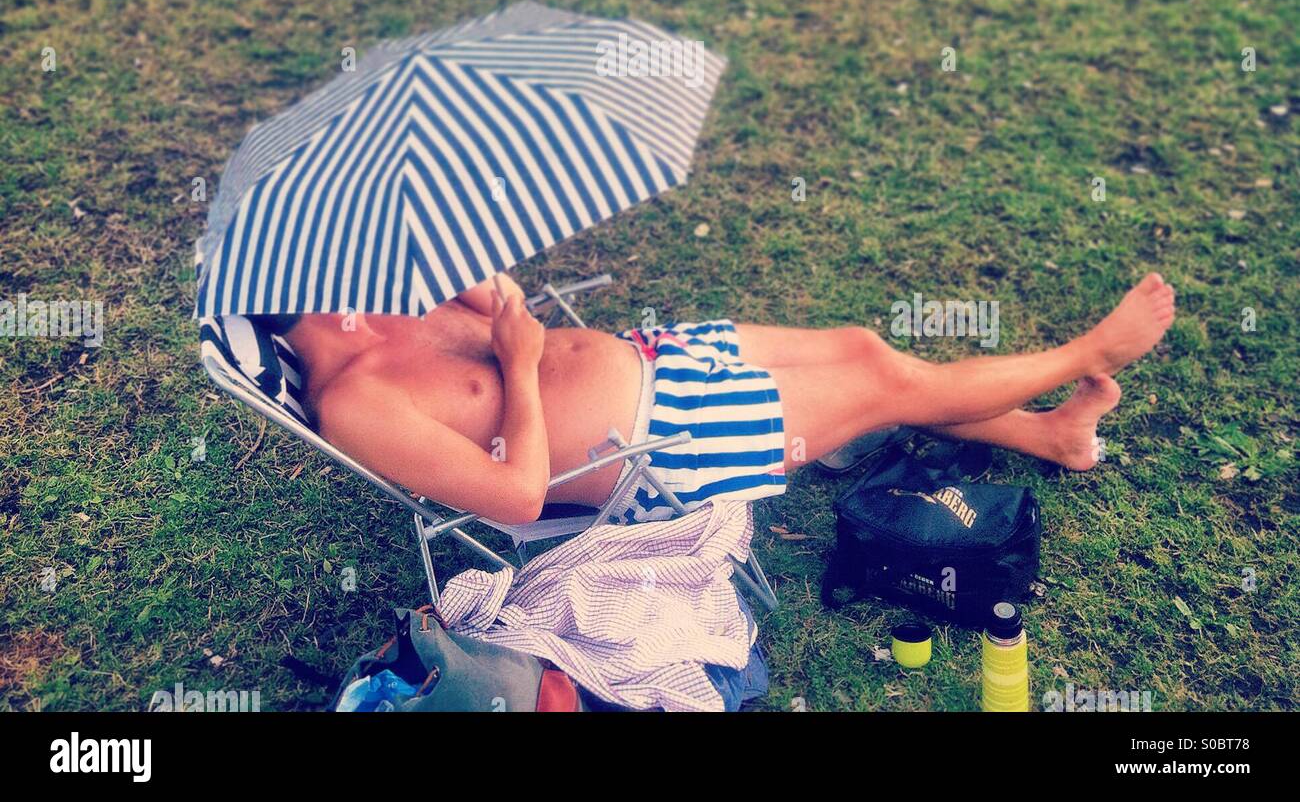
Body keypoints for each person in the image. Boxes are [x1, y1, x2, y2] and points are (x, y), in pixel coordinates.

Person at [281, 272, 1176, 526]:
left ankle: (1050, 436)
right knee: (886, 385)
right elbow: (517, 498)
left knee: (862, 352)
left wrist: (489, 297)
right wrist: (518, 364)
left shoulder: (385, 290)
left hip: (654, 354)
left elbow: (507, 301)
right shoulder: (356, 403)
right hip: (663, 446)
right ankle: (1087, 351)